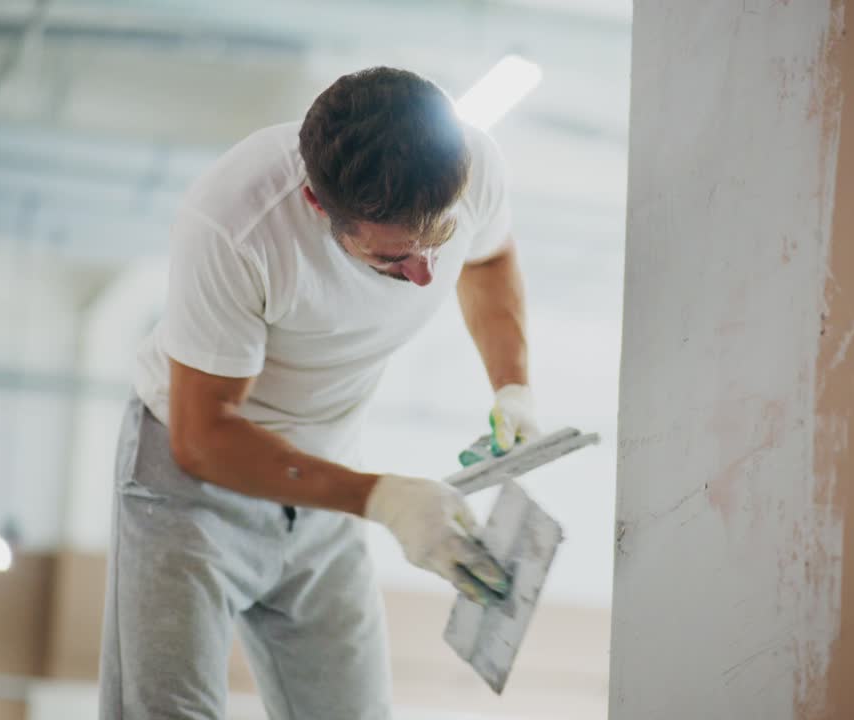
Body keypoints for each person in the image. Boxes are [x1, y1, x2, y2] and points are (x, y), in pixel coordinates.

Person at [99, 66, 541, 719]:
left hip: (324, 489)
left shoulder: (471, 161)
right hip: (191, 490)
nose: (422, 275)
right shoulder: (236, 223)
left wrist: (514, 389)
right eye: (393, 259)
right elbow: (204, 437)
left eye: (436, 240)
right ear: (317, 206)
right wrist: (381, 497)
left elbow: (489, 258)